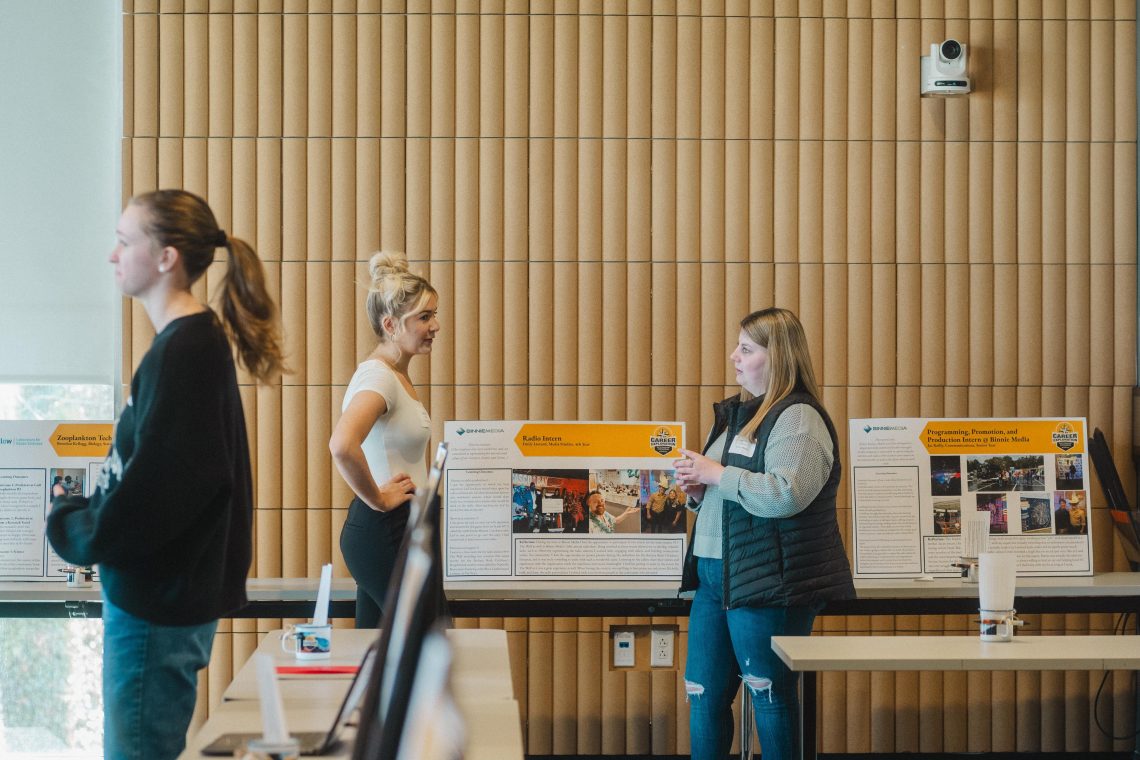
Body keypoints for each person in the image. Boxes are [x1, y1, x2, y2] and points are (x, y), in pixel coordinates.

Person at [47, 189, 285, 760]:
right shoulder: (183, 346)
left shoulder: (188, 353)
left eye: (125, 241)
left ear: (166, 258)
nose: (112, 255)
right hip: (157, 600)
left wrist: (72, 525)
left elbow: (158, 493)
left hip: (154, 608)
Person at [672, 307, 854, 760]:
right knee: (702, 694)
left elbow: (786, 495)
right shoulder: (737, 413)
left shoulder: (799, 418)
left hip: (769, 580)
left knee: (768, 696)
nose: (734, 356)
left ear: (779, 357)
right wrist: (699, 490)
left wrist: (717, 475)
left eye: (747, 349)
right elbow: (729, 493)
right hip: (715, 576)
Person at [331, 251, 440, 628]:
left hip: (394, 530)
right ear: (391, 324)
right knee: (427, 647)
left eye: (434, 315)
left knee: (380, 656)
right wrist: (378, 499)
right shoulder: (378, 378)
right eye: (424, 317)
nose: (435, 326)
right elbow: (342, 445)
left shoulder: (393, 376)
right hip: (386, 529)